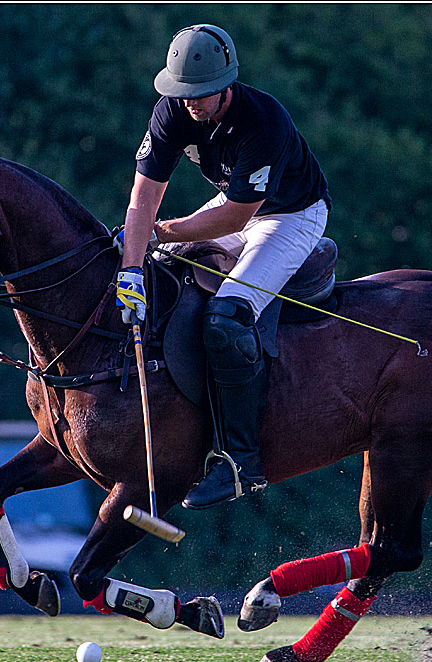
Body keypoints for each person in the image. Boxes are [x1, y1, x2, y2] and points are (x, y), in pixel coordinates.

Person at [115, 24, 332, 510]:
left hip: (291, 214)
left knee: (227, 318)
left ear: (226, 86)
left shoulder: (263, 121)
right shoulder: (172, 110)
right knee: (154, 270)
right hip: (234, 203)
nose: (190, 102)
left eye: (201, 92)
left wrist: (159, 233)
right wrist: (131, 270)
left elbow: (235, 218)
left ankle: (240, 463)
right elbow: (143, 197)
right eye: (182, 91)